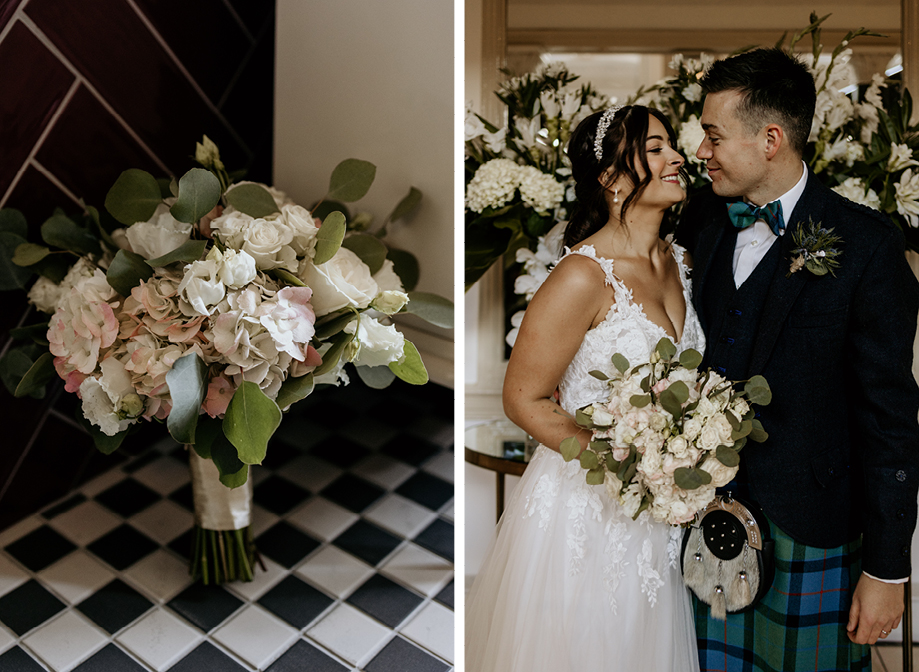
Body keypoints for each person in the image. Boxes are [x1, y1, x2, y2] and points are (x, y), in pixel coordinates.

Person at [679, 47, 919, 671]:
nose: (699, 152)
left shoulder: (866, 244)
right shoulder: (703, 223)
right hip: (697, 519)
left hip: (813, 531)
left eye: (712, 135)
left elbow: (890, 415)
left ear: (771, 138)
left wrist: (887, 569)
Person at [465, 105, 702, 671]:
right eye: (654, 150)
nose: (675, 158)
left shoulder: (684, 262)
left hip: (664, 509)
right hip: (589, 508)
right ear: (611, 178)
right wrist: (622, 461)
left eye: (672, 145)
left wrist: (675, 462)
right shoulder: (581, 275)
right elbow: (523, 400)